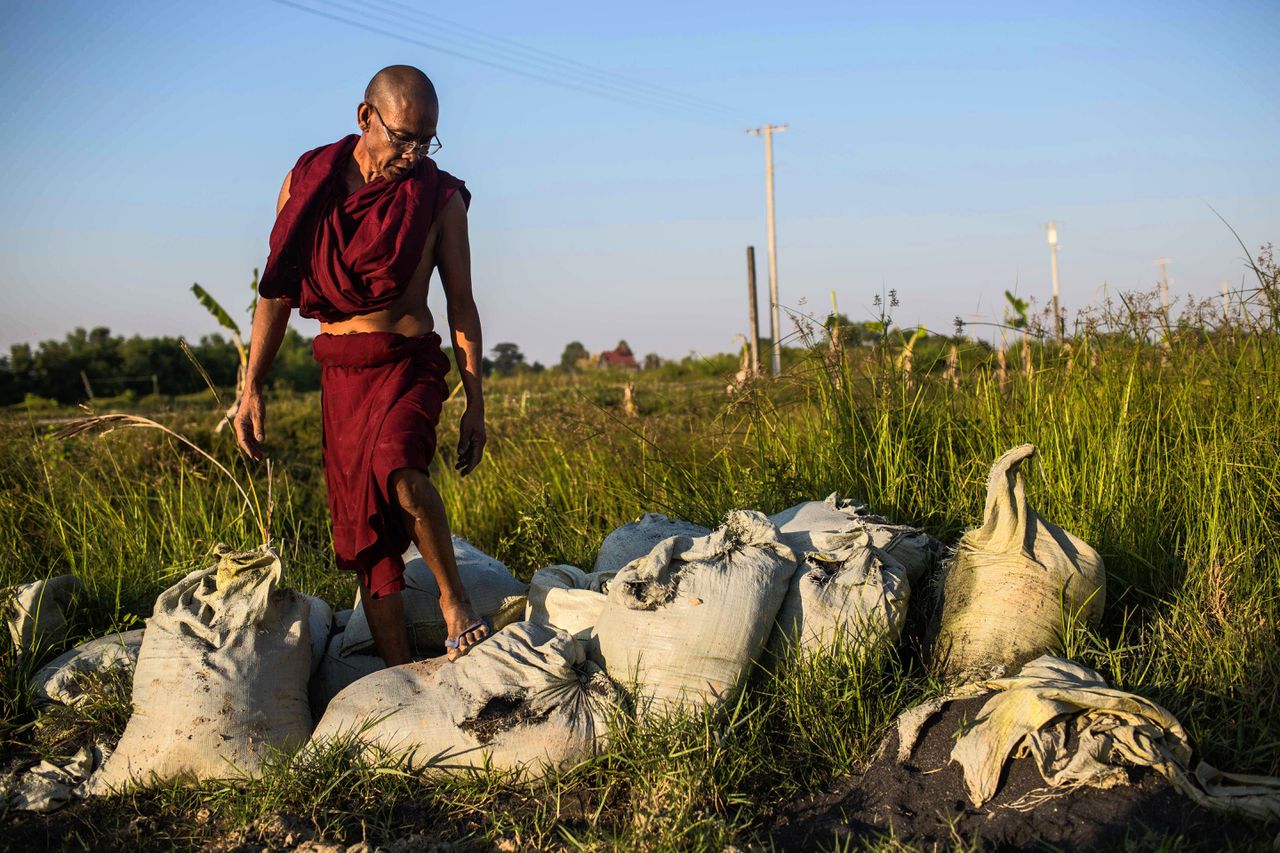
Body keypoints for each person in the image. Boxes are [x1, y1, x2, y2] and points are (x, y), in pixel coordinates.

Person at [234, 65, 491, 665]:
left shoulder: (440, 197)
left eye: (426, 140)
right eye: (402, 136)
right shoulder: (309, 180)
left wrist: (476, 401)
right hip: (341, 373)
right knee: (364, 530)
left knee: (398, 471)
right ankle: (402, 675)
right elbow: (275, 289)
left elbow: (461, 303)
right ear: (364, 117)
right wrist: (251, 386)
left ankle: (455, 603)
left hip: (406, 364)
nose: (414, 152)